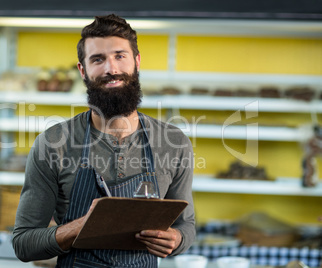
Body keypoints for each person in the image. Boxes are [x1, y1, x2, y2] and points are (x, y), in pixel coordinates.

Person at [12, 14, 196, 267]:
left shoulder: (174, 143)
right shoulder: (53, 144)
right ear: (82, 70)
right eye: (98, 59)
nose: (111, 69)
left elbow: (186, 224)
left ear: (137, 62)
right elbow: (24, 243)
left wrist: (177, 238)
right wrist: (81, 227)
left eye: (120, 56)